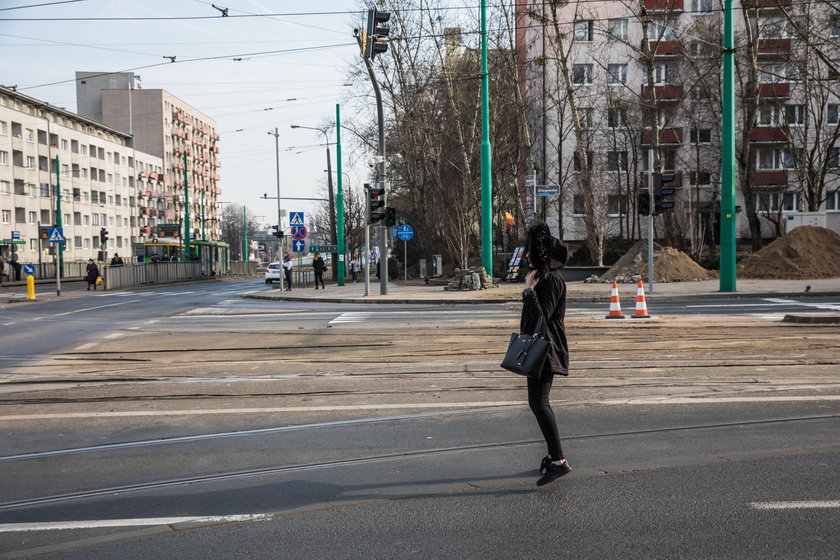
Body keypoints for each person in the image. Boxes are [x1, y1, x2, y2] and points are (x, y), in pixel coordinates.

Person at [520, 222, 571, 487]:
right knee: (538, 403)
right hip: (541, 348)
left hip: (546, 349)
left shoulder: (550, 280)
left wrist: (529, 291)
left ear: (539, 252)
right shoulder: (544, 277)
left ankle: (559, 461)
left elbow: (542, 317)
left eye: (529, 250)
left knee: (539, 403)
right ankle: (554, 456)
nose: (526, 255)